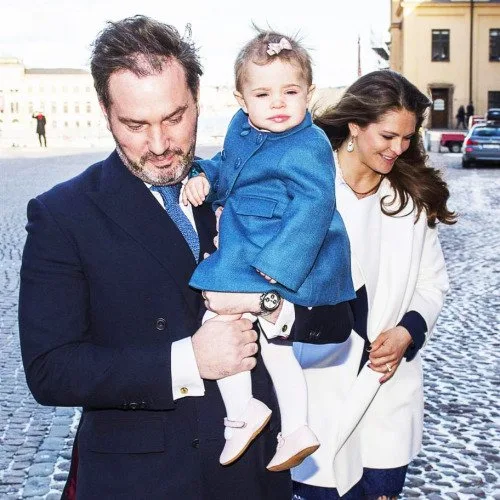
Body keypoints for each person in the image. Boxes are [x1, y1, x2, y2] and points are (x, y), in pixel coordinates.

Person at [18, 16, 351, 500]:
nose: (158, 145)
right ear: (105, 111)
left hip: (253, 478)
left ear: (200, 98)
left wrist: (268, 305)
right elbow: (51, 369)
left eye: (175, 118)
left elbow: (339, 321)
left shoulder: (254, 182)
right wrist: (188, 360)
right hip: (138, 483)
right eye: (135, 124)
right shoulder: (62, 214)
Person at [183, 29, 355, 472]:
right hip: (253, 240)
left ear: (309, 95)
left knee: (217, 317)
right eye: (263, 93)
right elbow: (229, 168)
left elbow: (316, 207)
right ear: (242, 100)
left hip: (280, 251)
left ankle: (243, 414)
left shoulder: (310, 143)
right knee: (276, 344)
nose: (278, 103)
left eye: (290, 91)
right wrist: (204, 175)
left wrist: (277, 271)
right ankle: (294, 426)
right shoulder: (240, 129)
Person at [291, 70, 455, 499]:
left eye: (407, 138)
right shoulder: (309, 188)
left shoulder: (410, 200)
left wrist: (408, 332)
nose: (398, 149)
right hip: (317, 397)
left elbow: (432, 282)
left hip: (388, 396)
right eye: (387, 136)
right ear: (354, 125)